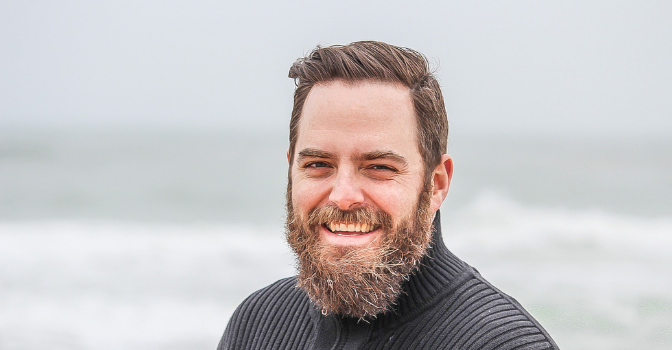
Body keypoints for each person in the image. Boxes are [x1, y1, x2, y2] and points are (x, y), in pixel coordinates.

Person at [218, 41, 558, 350]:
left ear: (437, 183)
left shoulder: (504, 344)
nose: (344, 196)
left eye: (379, 167)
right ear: (292, 171)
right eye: (319, 164)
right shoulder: (256, 324)